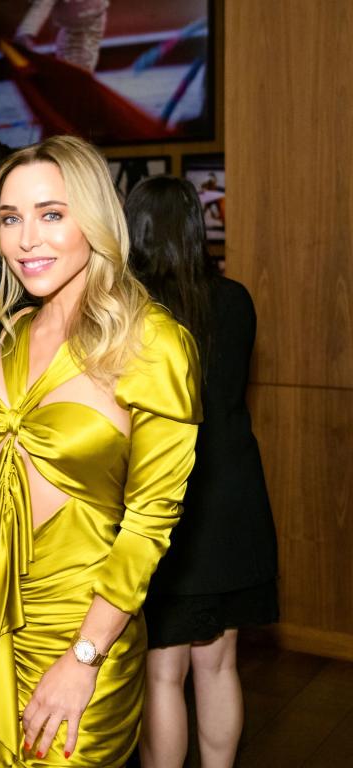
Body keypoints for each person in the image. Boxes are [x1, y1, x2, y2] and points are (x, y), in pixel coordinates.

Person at [0, 136, 202, 767]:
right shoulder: (11, 330)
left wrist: (84, 658)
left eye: (52, 214)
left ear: (94, 219)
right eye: (11, 219)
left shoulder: (151, 342)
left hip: (78, 632)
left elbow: (148, 526)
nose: (27, 239)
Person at [125, 176, 278, 768]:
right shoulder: (235, 299)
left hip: (166, 505)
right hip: (236, 500)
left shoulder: (131, 310)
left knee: (162, 671)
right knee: (219, 663)